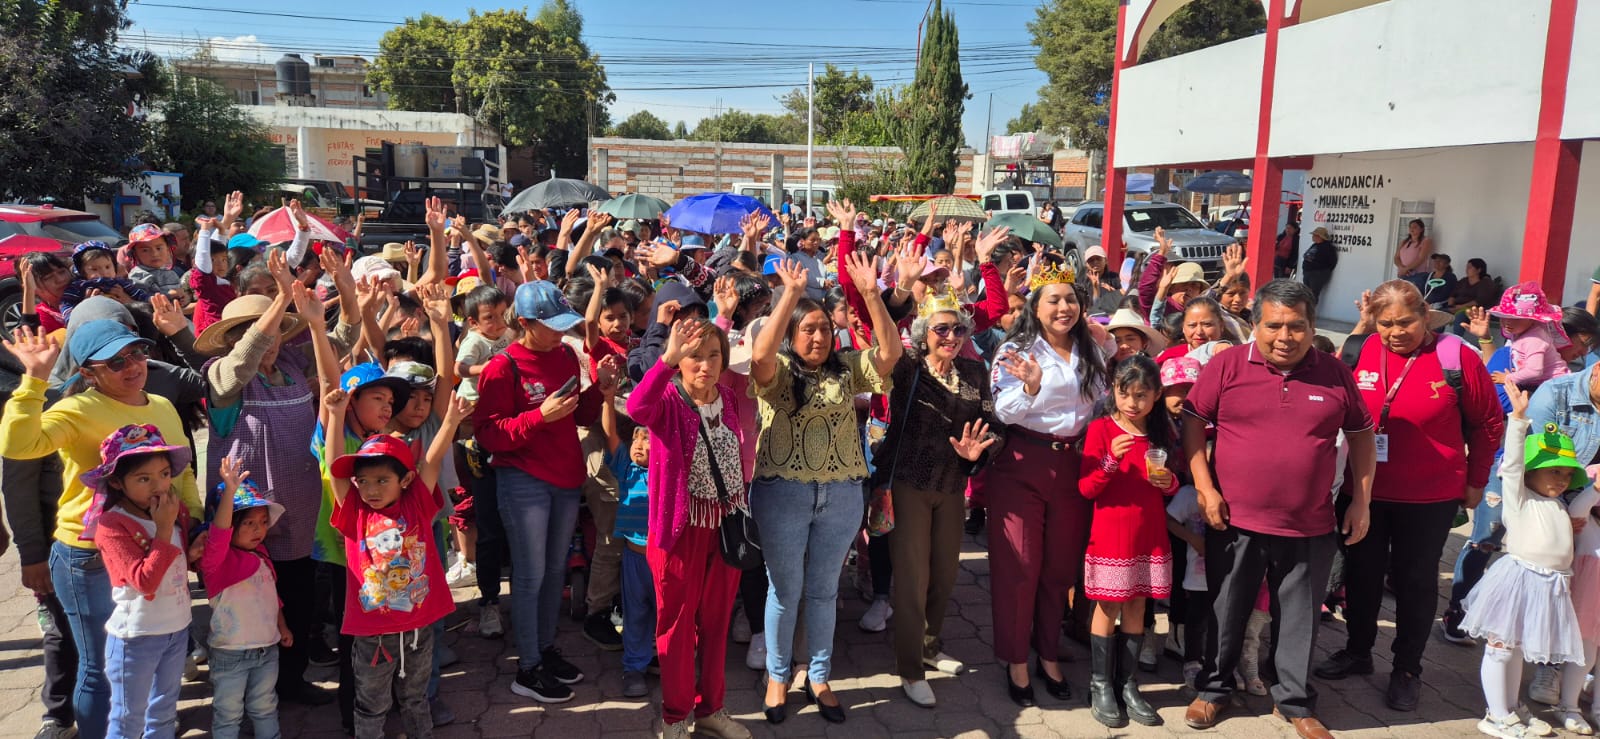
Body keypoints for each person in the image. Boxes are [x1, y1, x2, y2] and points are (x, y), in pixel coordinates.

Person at [1181, 279, 1377, 739]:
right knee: (1226, 609)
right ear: (1255, 325)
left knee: (1300, 619)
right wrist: (1206, 489)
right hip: (1234, 521)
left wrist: (1362, 500)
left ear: (1311, 328)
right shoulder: (1227, 365)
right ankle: (1213, 691)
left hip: (1309, 523)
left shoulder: (1334, 373)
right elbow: (1192, 422)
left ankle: (1293, 701)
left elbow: (1363, 435)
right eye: (1274, 326)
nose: (1284, 337)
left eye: (1296, 327)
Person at [0, 322, 201, 739]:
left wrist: (192, 520)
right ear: (89, 373)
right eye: (116, 362)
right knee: (102, 668)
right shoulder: (77, 409)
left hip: (156, 542)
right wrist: (34, 380)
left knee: (150, 658)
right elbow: (17, 446)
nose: (132, 366)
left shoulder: (161, 405)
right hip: (88, 555)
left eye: (137, 354)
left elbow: (180, 475)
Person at [1314, 280, 1503, 711]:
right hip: (1364, 491)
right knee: (1360, 573)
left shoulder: (1456, 358)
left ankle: (1407, 668)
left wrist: (1476, 480)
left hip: (1429, 496)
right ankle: (1359, 650)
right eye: (1386, 323)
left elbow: (1489, 422)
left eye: (1406, 322)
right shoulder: (1359, 351)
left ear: (1424, 316)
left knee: (1415, 582)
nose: (1396, 331)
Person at [747, 254, 900, 725]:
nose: (817, 337)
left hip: (840, 496)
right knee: (784, 591)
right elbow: (759, 356)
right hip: (783, 494)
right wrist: (790, 295)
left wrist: (873, 296)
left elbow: (890, 355)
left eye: (822, 328)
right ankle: (777, 676)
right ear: (792, 333)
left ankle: (818, 675)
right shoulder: (778, 373)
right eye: (806, 329)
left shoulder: (847, 368)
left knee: (822, 591)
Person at [473, 280, 622, 703]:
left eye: (563, 324)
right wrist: (538, 417)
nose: (560, 332)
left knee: (554, 572)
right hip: (523, 480)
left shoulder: (564, 355)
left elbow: (581, 414)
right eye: (551, 325)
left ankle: (544, 649)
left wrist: (601, 390)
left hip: (563, 477)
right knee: (530, 574)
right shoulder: (502, 367)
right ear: (523, 323)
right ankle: (528, 666)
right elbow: (487, 434)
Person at [987, 263, 1112, 707]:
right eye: (1053, 300)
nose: (1064, 308)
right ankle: (1016, 659)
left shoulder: (1091, 349)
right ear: (1035, 308)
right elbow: (1003, 412)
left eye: (1071, 299)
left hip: (1074, 464)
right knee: (1020, 568)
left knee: (1059, 568)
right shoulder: (1017, 351)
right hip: (1022, 462)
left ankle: (1048, 651)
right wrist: (1033, 387)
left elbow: (1099, 403)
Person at [871, 290, 1000, 708]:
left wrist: (981, 451)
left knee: (945, 575)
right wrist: (887, 294)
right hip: (907, 482)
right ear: (924, 334)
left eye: (958, 329)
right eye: (941, 329)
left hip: (951, 484)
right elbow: (884, 332)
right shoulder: (908, 370)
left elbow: (991, 424)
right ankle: (910, 669)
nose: (951, 336)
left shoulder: (973, 372)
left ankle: (930, 646)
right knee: (912, 580)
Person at [627, 319, 752, 739]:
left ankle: (712, 708)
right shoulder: (666, 402)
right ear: (680, 360)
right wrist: (665, 358)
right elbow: (636, 408)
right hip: (681, 531)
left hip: (726, 527)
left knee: (716, 624)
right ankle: (676, 717)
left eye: (714, 355)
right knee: (677, 630)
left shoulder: (729, 398)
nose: (705, 365)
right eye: (694, 356)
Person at [323, 388, 471, 739]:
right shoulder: (354, 511)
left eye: (382, 480)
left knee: (416, 699)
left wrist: (450, 420)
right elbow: (335, 469)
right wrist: (335, 415)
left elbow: (431, 462)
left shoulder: (416, 504)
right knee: (371, 705)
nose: (371, 490)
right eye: (364, 481)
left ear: (405, 481)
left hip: (418, 629)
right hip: (372, 635)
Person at [1462, 382, 1593, 739]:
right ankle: (1495, 715)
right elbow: (1514, 462)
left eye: (1567, 474)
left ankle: (1510, 706)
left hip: (1549, 585)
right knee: (1501, 650)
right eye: (1553, 471)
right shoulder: (1518, 498)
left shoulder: (1559, 505)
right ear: (1530, 473)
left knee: (1518, 652)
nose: (1562, 480)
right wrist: (1518, 422)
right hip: (1519, 581)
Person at [1079, 355, 1175, 728]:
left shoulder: (1159, 433)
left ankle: (1128, 683)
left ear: (1156, 396)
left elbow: (1171, 481)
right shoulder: (1101, 430)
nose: (1133, 402)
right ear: (1114, 391)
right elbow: (1086, 488)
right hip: (1112, 534)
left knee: (1137, 607)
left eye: (1141, 395)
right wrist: (1108, 464)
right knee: (1108, 608)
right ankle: (1100, 684)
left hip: (1149, 534)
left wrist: (1171, 483)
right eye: (1125, 393)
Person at [82, 424, 194, 739]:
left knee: (163, 711)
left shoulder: (173, 509)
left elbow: (181, 560)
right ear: (117, 482)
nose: (158, 486)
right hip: (136, 638)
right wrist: (162, 529)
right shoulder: (113, 524)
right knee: (128, 719)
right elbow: (144, 582)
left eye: (163, 473)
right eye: (144, 479)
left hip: (177, 627)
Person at [203, 459, 292, 739]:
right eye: (249, 523)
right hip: (231, 653)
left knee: (265, 706)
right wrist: (230, 492)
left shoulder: (262, 555)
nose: (259, 529)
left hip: (267, 649)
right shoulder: (217, 563)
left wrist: (282, 626)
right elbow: (219, 534)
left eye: (263, 522)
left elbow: (272, 598)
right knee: (228, 714)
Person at [1491, 282, 1570, 389]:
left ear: (1532, 320)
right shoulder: (1520, 332)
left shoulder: (1534, 339)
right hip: (1541, 383)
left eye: (1516, 319)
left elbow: (1534, 371)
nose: (1508, 322)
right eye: (1503, 316)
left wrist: (1509, 378)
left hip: (1556, 386)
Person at [1300, 227, 1339, 305]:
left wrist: (1322, 272)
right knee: (1306, 294)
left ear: (1320, 237)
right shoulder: (1314, 245)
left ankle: (1311, 313)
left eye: (1315, 235)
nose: (1313, 237)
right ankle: (1307, 312)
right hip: (1308, 272)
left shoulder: (1328, 247)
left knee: (1313, 294)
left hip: (1317, 274)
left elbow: (1332, 262)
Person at [1395, 219, 1434, 290]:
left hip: (1418, 275)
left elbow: (1421, 258)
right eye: (1410, 227)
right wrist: (1401, 268)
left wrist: (1406, 269)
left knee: (1414, 298)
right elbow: (1396, 258)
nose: (1412, 229)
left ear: (1421, 229)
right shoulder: (1404, 241)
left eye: (1415, 227)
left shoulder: (1426, 241)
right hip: (1404, 275)